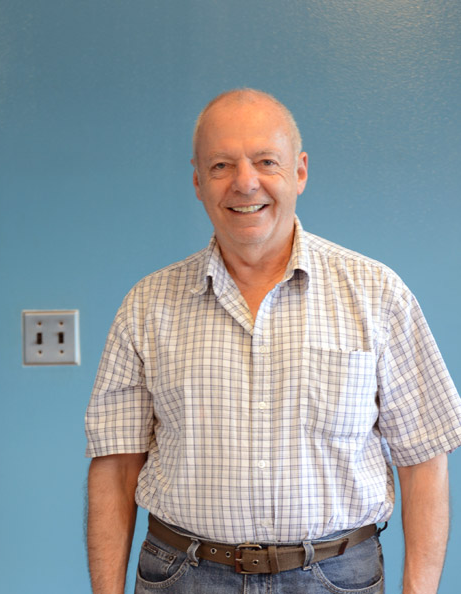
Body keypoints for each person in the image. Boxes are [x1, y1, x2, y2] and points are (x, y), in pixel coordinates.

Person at [85, 88, 461, 594]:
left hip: (336, 577)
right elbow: (115, 465)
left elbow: (424, 461)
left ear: (299, 172)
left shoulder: (377, 294)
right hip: (184, 576)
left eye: (266, 161)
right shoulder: (147, 305)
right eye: (221, 165)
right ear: (198, 181)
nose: (245, 183)